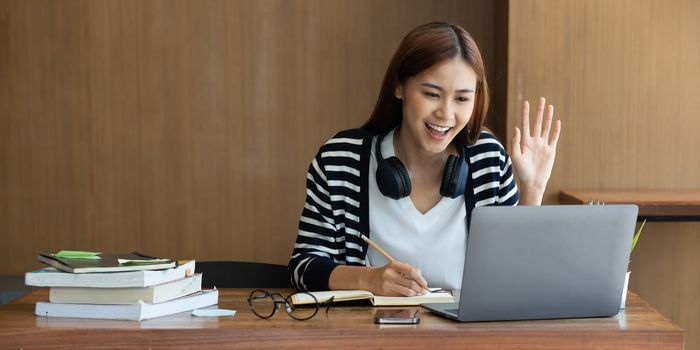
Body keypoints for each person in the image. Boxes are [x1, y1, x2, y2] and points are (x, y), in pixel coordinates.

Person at [288, 22, 561, 296]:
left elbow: (517, 275)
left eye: (462, 99)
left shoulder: (486, 158)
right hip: (367, 335)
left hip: (467, 337)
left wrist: (533, 190)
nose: (446, 113)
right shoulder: (341, 159)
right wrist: (368, 280)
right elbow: (304, 266)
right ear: (399, 87)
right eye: (432, 94)